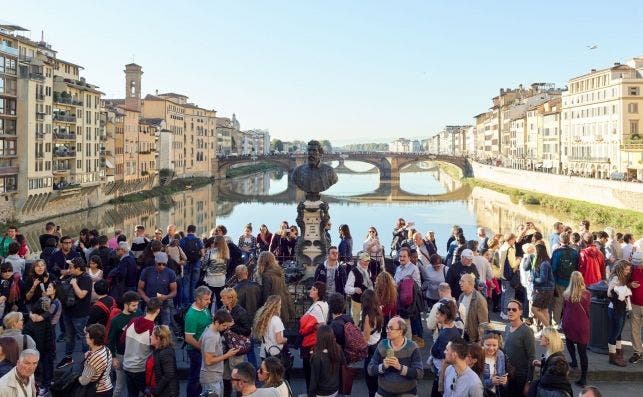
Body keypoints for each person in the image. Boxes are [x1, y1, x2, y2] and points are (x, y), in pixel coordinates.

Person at [367, 316, 424, 397]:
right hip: (384, 392)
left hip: (407, 392)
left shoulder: (412, 347)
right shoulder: (382, 345)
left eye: (391, 328)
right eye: (387, 328)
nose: (387, 330)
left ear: (400, 331)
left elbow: (419, 373)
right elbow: (370, 370)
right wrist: (383, 366)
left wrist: (400, 367)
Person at [56, 256, 92, 369]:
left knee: (83, 336)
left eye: (71, 267)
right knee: (69, 336)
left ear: (78, 268)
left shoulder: (86, 279)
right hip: (68, 312)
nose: (69, 269)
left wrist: (74, 284)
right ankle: (68, 357)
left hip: (80, 314)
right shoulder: (70, 276)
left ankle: (88, 358)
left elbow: (81, 295)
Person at [122, 297, 161, 397]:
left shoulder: (132, 321)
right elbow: (157, 350)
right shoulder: (154, 330)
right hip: (141, 369)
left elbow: (122, 340)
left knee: (131, 394)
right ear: (158, 310)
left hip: (127, 365)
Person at [107, 291, 140, 397]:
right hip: (122, 356)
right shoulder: (116, 321)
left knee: (136, 386)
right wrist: (114, 358)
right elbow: (110, 341)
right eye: (133, 305)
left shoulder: (139, 314)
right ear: (126, 304)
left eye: (137, 305)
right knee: (119, 386)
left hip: (136, 355)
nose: (136, 307)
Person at [562, 271, 591, 387]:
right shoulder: (587, 294)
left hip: (569, 323)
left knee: (569, 341)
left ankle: (574, 361)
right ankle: (583, 378)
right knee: (583, 352)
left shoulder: (566, 294)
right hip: (582, 325)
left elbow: (564, 309)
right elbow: (588, 310)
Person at [200, 309, 237, 396]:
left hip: (214, 376)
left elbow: (200, 343)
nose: (225, 328)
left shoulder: (210, 329)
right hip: (211, 377)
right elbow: (208, 361)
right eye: (224, 325)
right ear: (217, 322)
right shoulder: (212, 337)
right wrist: (227, 355)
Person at [429, 300, 462, 397]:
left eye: (438, 314)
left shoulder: (446, 335)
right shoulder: (451, 329)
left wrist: (440, 382)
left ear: (445, 316)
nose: (436, 315)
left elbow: (445, 361)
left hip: (442, 372)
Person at [185, 286, 213, 396]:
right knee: (195, 378)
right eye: (206, 299)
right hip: (196, 351)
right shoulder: (191, 316)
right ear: (198, 299)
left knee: (201, 377)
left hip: (204, 349)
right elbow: (189, 338)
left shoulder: (204, 308)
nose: (209, 302)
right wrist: (203, 349)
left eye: (209, 299)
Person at [299, 282, 328, 391]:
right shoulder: (323, 304)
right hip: (315, 342)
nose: (311, 290)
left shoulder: (317, 307)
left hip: (311, 342)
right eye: (312, 288)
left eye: (314, 289)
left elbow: (320, 325)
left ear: (319, 292)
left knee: (310, 371)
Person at [503, 299, 535, 396]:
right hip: (508, 374)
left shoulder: (527, 331)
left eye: (514, 309)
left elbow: (531, 358)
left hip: (521, 377)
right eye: (508, 309)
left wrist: (528, 382)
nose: (511, 312)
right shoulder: (507, 327)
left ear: (520, 312)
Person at [529, 327, 572, 397]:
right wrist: (542, 364)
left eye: (542, 336)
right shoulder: (551, 354)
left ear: (548, 340)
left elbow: (551, 382)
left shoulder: (558, 361)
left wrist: (535, 385)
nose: (540, 337)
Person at [138, 252, 177, 326]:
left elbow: (174, 291)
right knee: (146, 326)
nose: (161, 266)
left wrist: (166, 297)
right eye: (159, 264)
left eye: (164, 264)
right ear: (155, 262)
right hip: (149, 304)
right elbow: (140, 288)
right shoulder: (147, 271)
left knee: (165, 327)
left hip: (164, 304)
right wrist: (146, 299)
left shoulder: (170, 273)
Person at [551, 232, 580, 326]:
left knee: (558, 302)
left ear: (560, 240)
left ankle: (556, 322)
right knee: (569, 303)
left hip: (559, 281)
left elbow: (553, 268)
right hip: (571, 281)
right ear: (569, 240)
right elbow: (577, 267)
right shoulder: (574, 252)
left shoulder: (556, 252)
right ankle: (568, 322)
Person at [607, 260, 632, 367]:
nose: (628, 271)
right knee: (615, 333)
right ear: (621, 269)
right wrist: (622, 295)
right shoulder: (616, 278)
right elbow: (609, 292)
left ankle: (618, 352)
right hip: (616, 309)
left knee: (619, 331)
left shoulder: (621, 277)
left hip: (619, 308)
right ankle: (612, 356)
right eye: (626, 269)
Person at [309, 325, 344, 397]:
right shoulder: (338, 349)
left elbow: (314, 379)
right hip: (335, 388)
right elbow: (344, 364)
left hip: (322, 392)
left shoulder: (317, 356)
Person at [258, 252, 295, 321]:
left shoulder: (266, 275)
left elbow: (266, 295)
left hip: (273, 307)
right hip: (282, 304)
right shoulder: (279, 272)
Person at [79, 324, 113, 397]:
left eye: (87, 337)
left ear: (92, 340)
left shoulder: (94, 359)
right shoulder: (106, 349)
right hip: (107, 387)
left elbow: (84, 381)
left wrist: (77, 379)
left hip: (97, 392)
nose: (85, 337)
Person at [360, 289, 383, 397]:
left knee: (370, 380)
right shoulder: (378, 310)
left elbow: (365, 338)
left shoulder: (367, 316)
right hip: (377, 346)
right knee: (376, 378)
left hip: (370, 350)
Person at [253, 295, 287, 362]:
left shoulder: (263, 318)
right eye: (280, 304)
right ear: (276, 306)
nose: (280, 306)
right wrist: (286, 339)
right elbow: (279, 340)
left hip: (264, 352)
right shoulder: (276, 320)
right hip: (275, 353)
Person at [148, 325, 179, 397]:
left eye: (152, 335)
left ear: (158, 338)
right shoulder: (157, 350)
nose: (150, 337)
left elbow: (169, 374)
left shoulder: (165, 353)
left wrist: (156, 391)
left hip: (167, 393)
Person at [345, 251, 375, 325]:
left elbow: (370, 285)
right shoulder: (353, 272)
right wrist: (355, 289)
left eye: (368, 260)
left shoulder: (368, 271)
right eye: (365, 260)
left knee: (366, 323)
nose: (367, 262)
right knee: (356, 323)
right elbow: (347, 288)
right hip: (357, 302)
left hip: (367, 302)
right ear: (360, 260)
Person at [180, 225, 205, 308]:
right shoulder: (198, 240)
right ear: (194, 231)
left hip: (186, 264)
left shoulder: (183, 240)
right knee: (193, 285)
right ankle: (193, 302)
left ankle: (186, 304)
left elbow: (180, 253)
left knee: (186, 284)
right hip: (196, 264)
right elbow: (202, 253)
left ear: (187, 230)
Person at [458, 273, 488, 343]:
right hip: (461, 334)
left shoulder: (479, 300)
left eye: (462, 281)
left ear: (470, 283)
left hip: (472, 338)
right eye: (460, 281)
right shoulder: (461, 296)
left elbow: (483, 323)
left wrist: (480, 341)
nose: (459, 283)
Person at [531, 243, 554, 329]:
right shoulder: (544, 262)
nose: (534, 252)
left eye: (535, 250)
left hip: (544, 290)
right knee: (544, 310)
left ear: (539, 252)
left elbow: (543, 279)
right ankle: (547, 332)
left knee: (534, 309)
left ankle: (548, 328)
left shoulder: (544, 263)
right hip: (547, 289)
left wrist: (533, 279)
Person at [203, 236, 230, 305]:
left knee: (208, 301)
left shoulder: (210, 252)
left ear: (215, 242)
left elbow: (204, 265)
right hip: (221, 279)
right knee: (220, 301)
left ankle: (208, 315)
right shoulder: (226, 253)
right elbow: (227, 266)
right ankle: (220, 315)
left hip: (211, 279)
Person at [482, 332, 507, 397]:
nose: (491, 348)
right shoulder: (478, 356)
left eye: (494, 345)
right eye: (488, 345)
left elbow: (502, 374)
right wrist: (491, 381)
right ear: (483, 344)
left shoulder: (500, 354)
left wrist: (503, 380)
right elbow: (474, 382)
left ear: (498, 345)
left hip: (495, 393)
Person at [374, 272, 397, 337]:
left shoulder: (378, 290)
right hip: (386, 318)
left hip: (379, 317)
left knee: (378, 335)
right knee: (384, 335)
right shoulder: (392, 291)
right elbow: (393, 308)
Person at [629, 252, 643, 364]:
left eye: (640, 263)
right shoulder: (631, 268)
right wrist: (630, 284)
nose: (638, 265)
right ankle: (637, 352)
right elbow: (624, 281)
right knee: (635, 329)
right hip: (635, 304)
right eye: (636, 263)